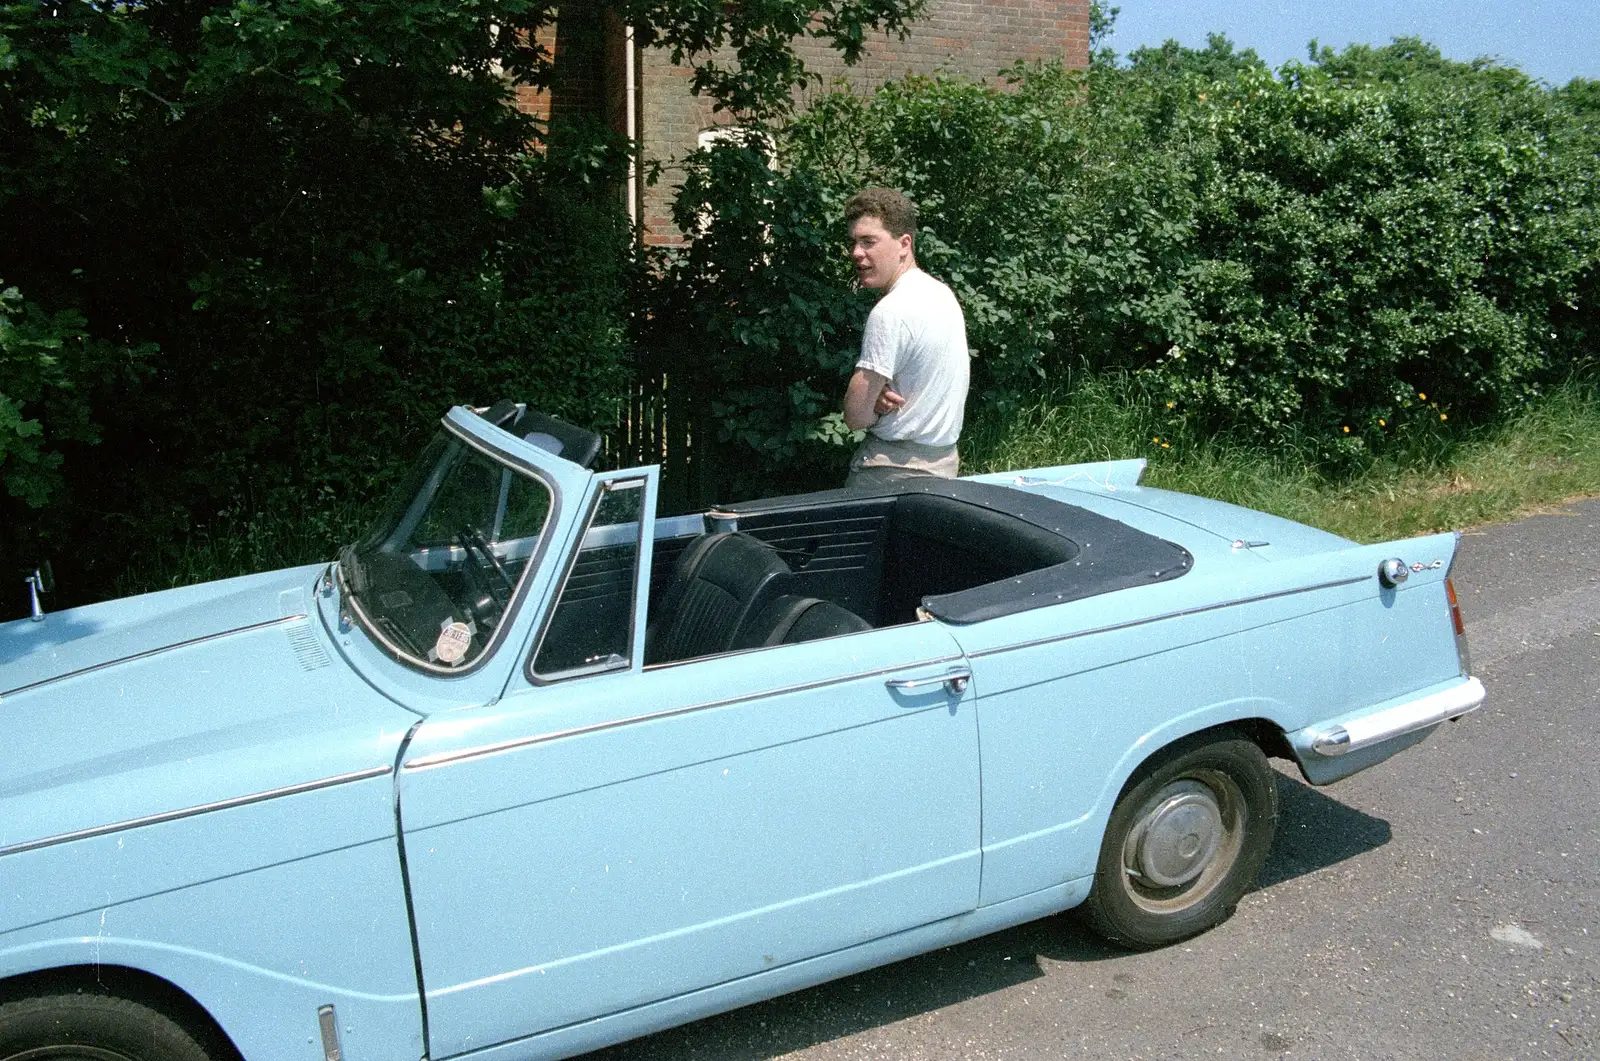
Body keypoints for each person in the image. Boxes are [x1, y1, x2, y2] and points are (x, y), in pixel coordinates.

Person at [839, 187, 970, 489]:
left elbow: (855, 416)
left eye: (869, 241)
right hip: (943, 470)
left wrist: (871, 403)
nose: (856, 252)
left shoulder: (890, 311)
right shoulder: (942, 295)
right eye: (854, 242)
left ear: (904, 244)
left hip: (888, 473)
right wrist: (878, 396)